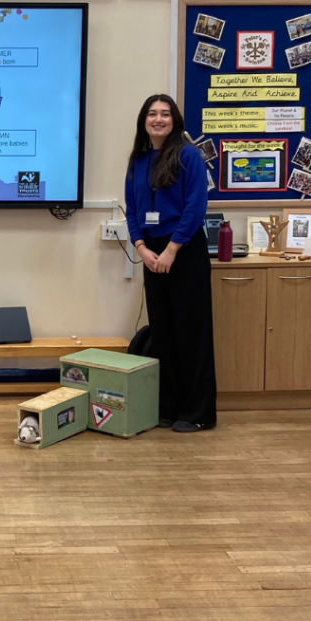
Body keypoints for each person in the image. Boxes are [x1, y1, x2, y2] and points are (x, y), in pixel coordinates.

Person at [124, 94, 216, 433]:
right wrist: (142, 247)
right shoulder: (138, 159)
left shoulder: (189, 156)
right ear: (144, 121)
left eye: (165, 114)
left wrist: (172, 250)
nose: (158, 119)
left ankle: (197, 413)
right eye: (152, 114)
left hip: (185, 249)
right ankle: (170, 407)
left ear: (175, 121)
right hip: (152, 251)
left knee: (191, 332)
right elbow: (132, 209)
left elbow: (195, 207)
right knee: (164, 332)